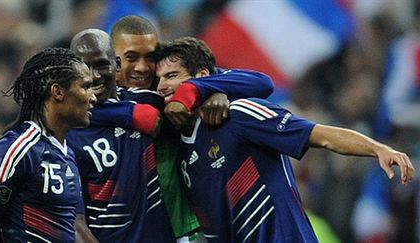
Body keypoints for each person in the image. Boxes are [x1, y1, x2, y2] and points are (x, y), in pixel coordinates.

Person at [155, 36, 415, 243]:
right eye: (158, 80)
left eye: (171, 76)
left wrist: (377, 148)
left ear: (201, 77)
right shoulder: (175, 144)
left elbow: (321, 136)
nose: (161, 87)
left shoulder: (239, 115)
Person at [108, 15, 275, 242]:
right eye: (131, 58)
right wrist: (127, 113)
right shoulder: (95, 100)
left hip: (185, 231)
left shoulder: (166, 95)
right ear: (112, 59)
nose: (143, 67)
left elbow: (261, 82)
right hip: (124, 232)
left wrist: (209, 89)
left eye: (150, 57)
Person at [68, 28, 175, 242]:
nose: (93, 75)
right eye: (84, 67)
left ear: (116, 65)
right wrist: (127, 114)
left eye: (101, 65)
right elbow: (74, 224)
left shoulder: (146, 100)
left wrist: (206, 93)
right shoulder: (67, 133)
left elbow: (258, 83)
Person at [0, 47, 97, 242]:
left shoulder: (67, 154)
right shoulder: (15, 151)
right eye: (86, 87)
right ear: (57, 91)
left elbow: (76, 227)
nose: (93, 97)